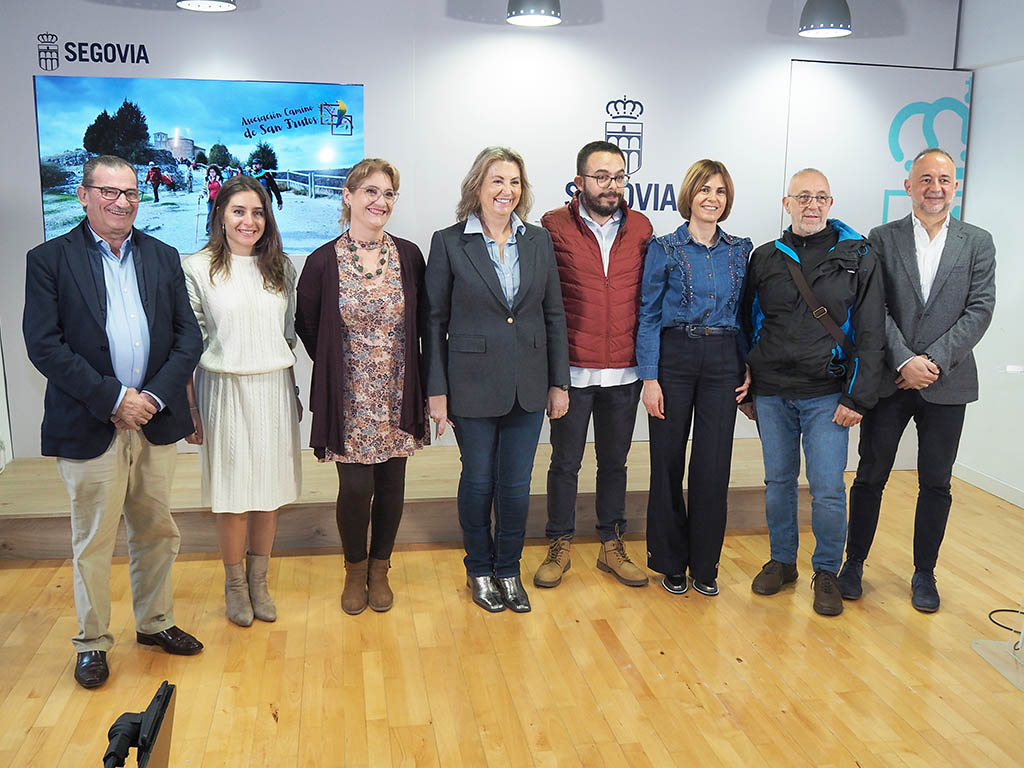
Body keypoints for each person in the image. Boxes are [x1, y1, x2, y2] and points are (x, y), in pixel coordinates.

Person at [23, 155, 204, 690]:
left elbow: (187, 337)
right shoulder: (49, 260)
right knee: (94, 540)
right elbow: (45, 345)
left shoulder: (164, 256)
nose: (121, 201)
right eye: (109, 191)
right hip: (89, 423)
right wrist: (114, 398)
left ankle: (155, 623)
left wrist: (148, 397)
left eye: (130, 193)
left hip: (153, 420)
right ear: (84, 195)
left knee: (156, 531)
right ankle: (93, 642)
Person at [838, 148, 996, 612]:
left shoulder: (978, 242)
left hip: (948, 384)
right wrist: (905, 360)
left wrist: (933, 361)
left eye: (944, 179)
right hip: (891, 381)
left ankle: (924, 573)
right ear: (908, 186)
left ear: (955, 186)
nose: (935, 187)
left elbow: (980, 309)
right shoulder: (881, 239)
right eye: (925, 179)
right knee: (870, 477)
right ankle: (854, 563)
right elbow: (874, 309)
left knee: (936, 483)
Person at [424, 146, 570, 614]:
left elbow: (553, 314)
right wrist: (437, 390)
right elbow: (433, 320)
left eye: (514, 182)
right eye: (497, 181)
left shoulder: (539, 241)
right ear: (477, 187)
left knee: (516, 485)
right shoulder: (448, 242)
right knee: (479, 480)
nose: (506, 191)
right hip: (470, 386)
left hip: (529, 383)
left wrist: (559, 382)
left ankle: (509, 570)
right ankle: (479, 569)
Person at [740, 168, 884, 617]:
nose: (812, 205)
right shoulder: (764, 257)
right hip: (773, 394)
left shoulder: (859, 255)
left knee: (826, 489)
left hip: (828, 395)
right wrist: (748, 386)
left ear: (831, 203)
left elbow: (871, 329)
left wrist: (857, 396)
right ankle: (782, 562)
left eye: (820, 197)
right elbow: (745, 325)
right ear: (787, 204)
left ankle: (826, 572)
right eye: (803, 196)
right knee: (778, 484)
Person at [295, 158, 427, 616]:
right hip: (349, 398)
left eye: (389, 193)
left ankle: (380, 567)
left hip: (397, 391)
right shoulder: (320, 261)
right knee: (355, 488)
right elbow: (308, 324)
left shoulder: (408, 255)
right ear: (348, 196)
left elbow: (423, 322)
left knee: (392, 484)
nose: (380, 201)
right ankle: (354, 567)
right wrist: (339, 367)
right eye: (371, 191)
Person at [182, 175, 302, 627]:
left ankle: (258, 581)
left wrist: (291, 393)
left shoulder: (281, 268)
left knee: (267, 490)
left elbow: (286, 336)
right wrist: (191, 408)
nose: (248, 221)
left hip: (272, 386)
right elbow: (189, 344)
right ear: (220, 215)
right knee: (231, 494)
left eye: (257, 212)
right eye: (238, 211)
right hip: (223, 389)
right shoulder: (196, 269)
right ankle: (234, 585)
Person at [534, 140, 652, 590]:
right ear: (579, 180)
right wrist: (553, 374)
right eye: (601, 177)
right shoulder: (552, 226)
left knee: (615, 462)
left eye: (619, 177)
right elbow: (545, 303)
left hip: (624, 370)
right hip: (574, 371)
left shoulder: (641, 227)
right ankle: (560, 543)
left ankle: (611, 544)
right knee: (565, 462)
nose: (611, 185)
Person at [637, 159, 753, 597]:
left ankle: (705, 565)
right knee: (667, 463)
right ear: (689, 194)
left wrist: (748, 367)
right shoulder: (665, 248)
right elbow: (647, 315)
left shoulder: (740, 249)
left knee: (713, 465)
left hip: (724, 358)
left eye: (720, 191)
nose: (712, 198)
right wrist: (650, 377)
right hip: (675, 357)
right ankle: (670, 563)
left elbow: (747, 315)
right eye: (704, 189)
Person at [204, 165, 223, 236]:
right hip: (210, 199)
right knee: (210, 213)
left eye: (213, 172)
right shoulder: (207, 180)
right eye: (210, 172)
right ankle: (209, 230)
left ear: (216, 172)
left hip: (219, 200)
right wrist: (202, 195)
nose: (212, 173)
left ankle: (219, 229)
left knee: (218, 214)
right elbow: (204, 189)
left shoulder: (220, 179)